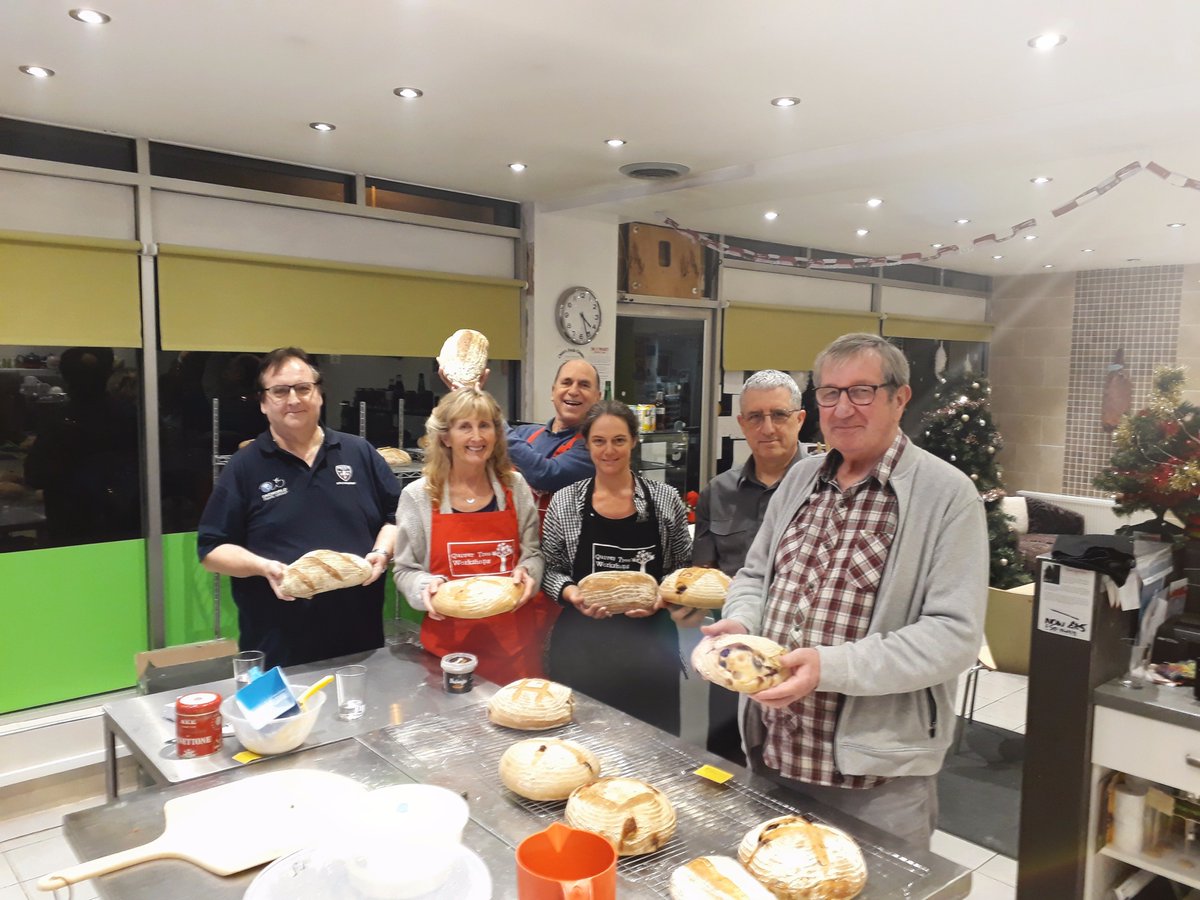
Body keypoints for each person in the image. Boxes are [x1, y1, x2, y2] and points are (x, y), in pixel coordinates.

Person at [705, 333, 987, 848]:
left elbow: (953, 635)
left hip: (876, 780)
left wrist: (830, 668)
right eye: (829, 394)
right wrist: (743, 625)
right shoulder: (800, 481)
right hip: (774, 751)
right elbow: (754, 575)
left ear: (900, 398)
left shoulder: (946, 495)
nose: (842, 408)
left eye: (861, 391)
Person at [197, 347, 399, 669]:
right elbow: (211, 549)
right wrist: (264, 567)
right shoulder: (245, 467)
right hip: (278, 647)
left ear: (319, 395)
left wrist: (382, 552)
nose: (294, 399)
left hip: (360, 642)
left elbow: (395, 519)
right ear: (263, 402)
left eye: (303, 388)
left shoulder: (359, 453)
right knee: (287, 723)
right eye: (280, 391)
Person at [542, 400, 692, 734]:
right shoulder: (565, 502)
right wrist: (572, 593)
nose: (609, 450)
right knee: (581, 750)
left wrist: (664, 598)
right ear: (586, 442)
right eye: (599, 441)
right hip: (582, 653)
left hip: (651, 654)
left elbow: (683, 570)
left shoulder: (665, 499)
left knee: (654, 752)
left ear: (634, 441)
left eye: (619, 440)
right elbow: (550, 569)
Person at [691, 369, 806, 766]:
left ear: (800, 419)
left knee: (796, 769)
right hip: (734, 653)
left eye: (779, 414)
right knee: (725, 761)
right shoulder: (717, 492)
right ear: (741, 423)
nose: (767, 427)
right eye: (755, 417)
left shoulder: (826, 489)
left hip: (801, 657)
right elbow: (703, 573)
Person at [393, 387, 545, 684]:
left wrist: (528, 572)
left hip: (513, 652)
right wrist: (425, 585)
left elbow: (533, 554)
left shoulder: (514, 486)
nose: (478, 437)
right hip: (447, 657)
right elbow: (404, 570)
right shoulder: (419, 496)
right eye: (465, 427)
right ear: (445, 437)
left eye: (485, 425)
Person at [506, 359, 601, 519]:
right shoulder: (524, 433)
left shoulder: (594, 448)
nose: (573, 391)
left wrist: (493, 420)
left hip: (558, 543)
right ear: (553, 392)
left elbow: (544, 475)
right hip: (515, 539)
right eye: (566, 382)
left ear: (598, 397)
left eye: (584, 385)